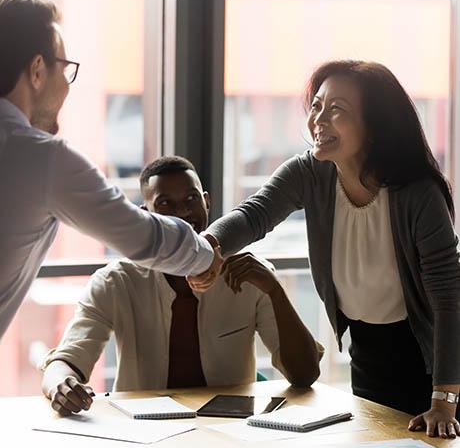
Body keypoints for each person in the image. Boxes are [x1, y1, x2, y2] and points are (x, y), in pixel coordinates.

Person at [189, 60, 460, 439]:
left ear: (375, 124)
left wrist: (444, 399)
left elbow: (448, 298)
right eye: (316, 106)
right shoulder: (310, 173)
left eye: (337, 110)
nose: (319, 119)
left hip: (431, 362)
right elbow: (255, 214)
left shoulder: (417, 193)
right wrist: (209, 246)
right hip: (367, 353)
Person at [0, 0, 222, 340]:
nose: (66, 86)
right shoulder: (41, 158)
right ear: (38, 70)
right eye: (65, 67)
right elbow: (141, 236)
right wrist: (205, 256)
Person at [41, 156, 323, 415]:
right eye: (165, 204)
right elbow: (67, 360)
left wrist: (275, 290)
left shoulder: (249, 275)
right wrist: (61, 385)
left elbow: (305, 375)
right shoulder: (115, 282)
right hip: (144, 434)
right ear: (144, 214)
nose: (182, 213)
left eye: (191, 199)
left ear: (207, 203)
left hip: (228, 434)